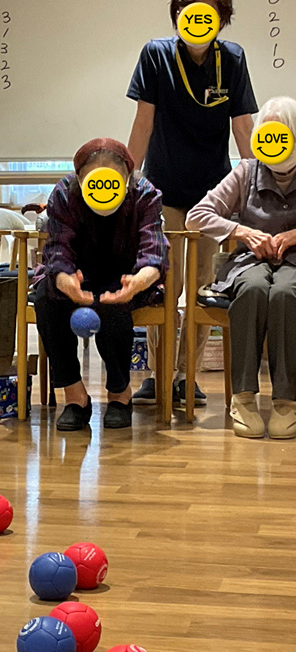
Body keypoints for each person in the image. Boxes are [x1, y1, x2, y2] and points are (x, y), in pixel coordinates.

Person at [126, 0, 258, 406]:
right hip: (163, 191)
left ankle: (187, 376)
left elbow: (243, 127)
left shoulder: (232, 59)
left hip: (211, 197)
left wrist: (255, 184)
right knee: (164, 284)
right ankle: (159, 373)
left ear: (221, 15)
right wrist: (129, 182)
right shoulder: (156, 54)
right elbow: (143, 122)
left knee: (201, 289)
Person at [34, 138, 169, 431]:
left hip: (127, 275)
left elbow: (154, 252)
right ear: (81, 180)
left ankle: (120, 394)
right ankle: (75, 397)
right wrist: (65, 280)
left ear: (126, 178)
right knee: (46, 298)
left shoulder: (145, 193)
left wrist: (137, 282)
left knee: (113, 305)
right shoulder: (64, 192)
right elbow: (58, 249)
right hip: (77, 274)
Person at [186, 96, 296, 439]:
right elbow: (196, 216)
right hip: (251, 261)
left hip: (294, 262)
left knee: (285, 293)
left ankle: (286, 400)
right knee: (252, 289)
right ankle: (243, 397)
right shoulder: (246, 171)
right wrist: (242, 232)